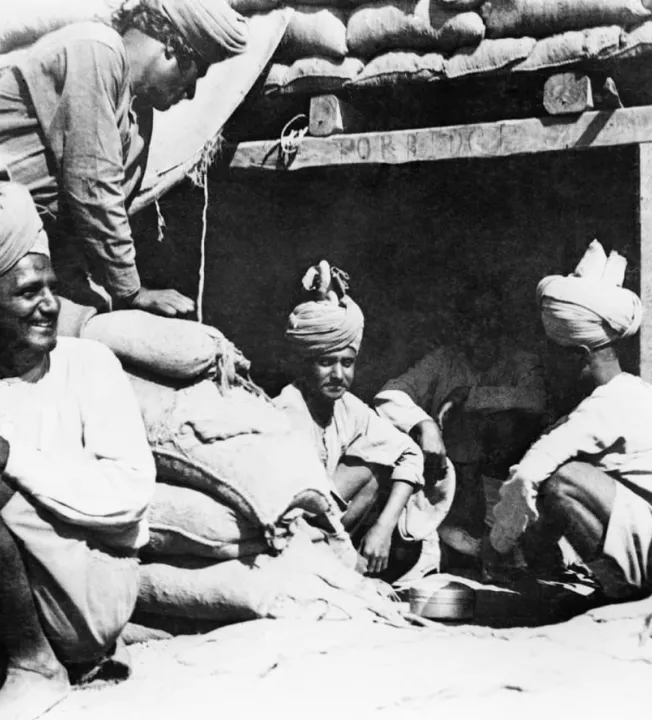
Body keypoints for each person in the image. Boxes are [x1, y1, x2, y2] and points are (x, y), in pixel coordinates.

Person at [0, 182, 156, 720]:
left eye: (51, 287)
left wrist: (12, 461)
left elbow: (130, 495)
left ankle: (33, 666)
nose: (49, 304)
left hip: (90, 587)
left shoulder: (88, 365)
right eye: (27, 292)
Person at [0, 0, 248, 330]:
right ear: (172, 51)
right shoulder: (95, 49)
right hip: (9, 227)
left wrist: (96, 293)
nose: (189, 93)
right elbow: (92, 188)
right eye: (194, 75)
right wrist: (131, 291)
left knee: (83, 321)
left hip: (30, 243)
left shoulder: (137, 117)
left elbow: (75, 223)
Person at [490, 240, 652, 599]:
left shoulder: (608, 406)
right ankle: (546, 570)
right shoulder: (631, 390)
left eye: (555, 354)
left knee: (563, 478)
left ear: (579, 355)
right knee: (562, 470)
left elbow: (531, 471)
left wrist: (497, 544)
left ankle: (627, 591)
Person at [275, 261, 454, 582]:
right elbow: (294, 512)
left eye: (347, 363)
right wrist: (351, 562)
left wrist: (383, 528)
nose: (338, 375)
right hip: (295, 530)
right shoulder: (288, 410)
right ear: (303, 364)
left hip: (328, 528)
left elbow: (409, 454)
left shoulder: (349, 407)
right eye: (325, 362)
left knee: (371, 470)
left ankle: (342, 564)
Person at [373, 277, 547, 558]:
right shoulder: (442, 361)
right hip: (451, 485)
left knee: (504, 422)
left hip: (504, 487)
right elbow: (390, 395)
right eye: (476, 319)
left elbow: (536, 401)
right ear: (461, 325)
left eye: (493, 318)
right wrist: (426, 424)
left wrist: (471, 396)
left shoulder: (521, 362)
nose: (485, 329)